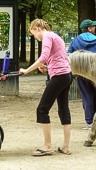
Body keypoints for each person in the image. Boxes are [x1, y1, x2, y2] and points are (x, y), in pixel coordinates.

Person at [19, 19, 72, 156]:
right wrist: (48, 67)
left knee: (42, 109)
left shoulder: (47, 36)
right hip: (66, 75)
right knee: (63, 110)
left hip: (59, 76)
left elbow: (43, 56)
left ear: (36, 28)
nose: (35, 37)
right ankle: (65, 147)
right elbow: (58, 57)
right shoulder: (55, 36)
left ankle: (47, 146)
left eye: (33, 34)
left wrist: (27, 70)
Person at [67, 19, 96, 130]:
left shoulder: (75, 40)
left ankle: (89, 122)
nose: (95, 28)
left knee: (86, 97)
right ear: (89, 29)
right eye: (93, 27)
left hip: (82, 74)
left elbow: (69, 54)